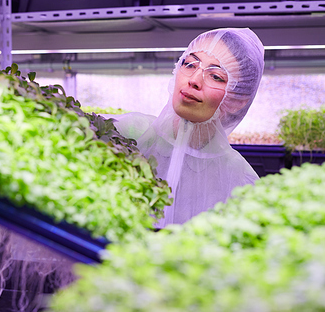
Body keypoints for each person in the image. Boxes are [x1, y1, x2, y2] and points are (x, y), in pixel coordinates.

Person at [111, 28, 265, 227]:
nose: (194, 80)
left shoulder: (241, 180)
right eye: (190, 64)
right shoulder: (126, 133)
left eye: (216, 76)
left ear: (238, 100)